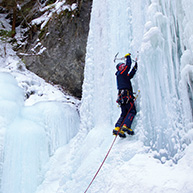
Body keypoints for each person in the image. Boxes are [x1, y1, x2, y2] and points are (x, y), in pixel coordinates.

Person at [113, 53, 138, 138]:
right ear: (120, 68)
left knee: (124, 113)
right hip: (126, 96)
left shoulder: (122, 76)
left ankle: (117, 127)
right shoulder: (121, 73)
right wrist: (128, 57)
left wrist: (135, 67)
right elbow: (128, 65)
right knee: (132, 111)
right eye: (122, 66)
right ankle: (126, 126)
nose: (124, 67)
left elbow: (130, 75)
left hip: (122, 97)